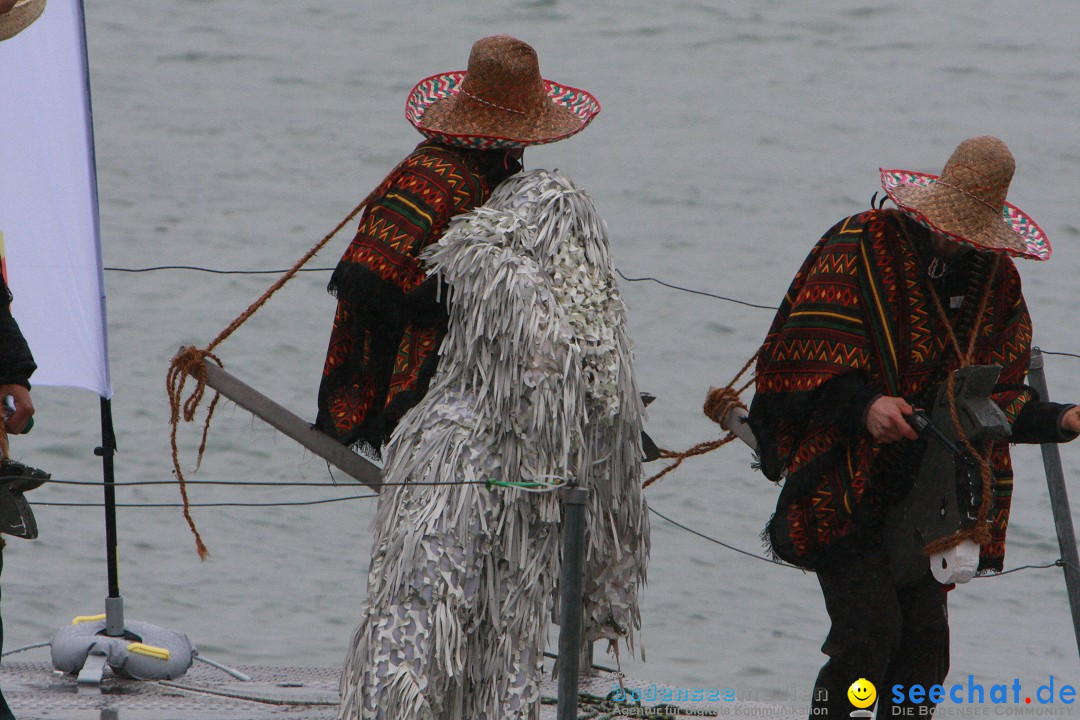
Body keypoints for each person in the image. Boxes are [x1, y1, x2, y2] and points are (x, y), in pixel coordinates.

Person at [329, 36, 648, 720]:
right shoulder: (434, 177)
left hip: (475, 391)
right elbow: (360, 275)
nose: (523, 150)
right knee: (427, 597)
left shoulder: (502, 185)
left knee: (492, 603)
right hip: (428, 393)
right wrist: (461, 300)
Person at [745, 136, 1080, 719]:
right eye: (954, 224)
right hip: (840, 482)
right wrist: (868, 405)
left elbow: (995, 401)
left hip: (929, 499)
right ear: (931, 205)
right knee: (867, 642)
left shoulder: (995, 281)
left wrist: (1062, 420)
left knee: (925, 657)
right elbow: (800, 356)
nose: (959, 239)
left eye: (975, 231)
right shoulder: (862, 243)